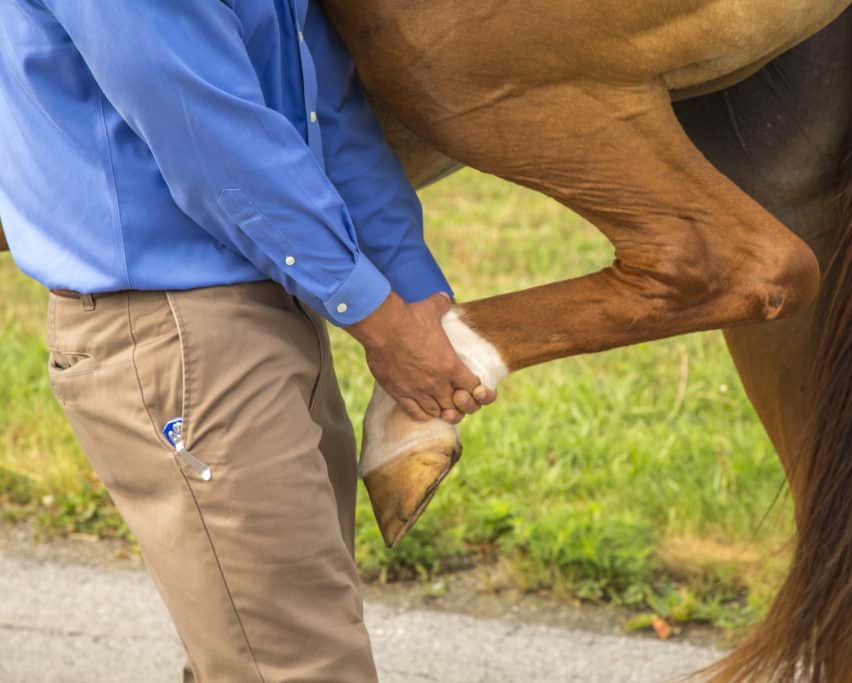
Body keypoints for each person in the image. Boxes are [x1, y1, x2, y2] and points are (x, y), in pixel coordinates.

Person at [0, 1, 496, 680]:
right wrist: (383, 323)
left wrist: (415, 293)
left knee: (262, 650)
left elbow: (323, 111)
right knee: (300, 664)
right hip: (172, 329)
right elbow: (217, 147)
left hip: (265, 312)